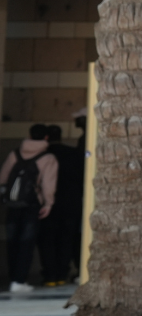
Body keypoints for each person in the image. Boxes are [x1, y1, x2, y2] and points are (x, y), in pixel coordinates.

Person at [0, 125, 57, 293]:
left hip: (13, 204)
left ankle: (13, 278)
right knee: (26, 243)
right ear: (46, 137)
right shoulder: (48, 158)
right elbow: (48, 184)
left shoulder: (14, 154)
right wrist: (48, 204)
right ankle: (19, 280)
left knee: (12, 242)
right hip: (32, 205)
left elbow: (3, 178)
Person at [40, 125, 83, 286]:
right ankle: (62, 274)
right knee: (67, 240)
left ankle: (50, 275)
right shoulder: (72, 154)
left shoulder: (43, 155)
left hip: (46, 205)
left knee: (48, 241)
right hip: (71, 203)